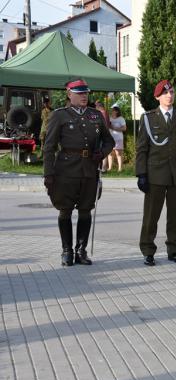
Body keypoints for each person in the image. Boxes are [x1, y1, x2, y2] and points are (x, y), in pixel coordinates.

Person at [43, 78, 115, 266]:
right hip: (65, 170)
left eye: (86, 93)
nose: (84, 96)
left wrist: (102, 153)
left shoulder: (96, 115)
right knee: (65, 210)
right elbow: (49, 147)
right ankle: (66, 251)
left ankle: (81, 251)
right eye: (80, 93)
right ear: (69, 94)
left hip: (89, 169)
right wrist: (48, 173)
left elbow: (109, 141)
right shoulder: (60, 115)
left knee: (85, 210)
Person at [135, 79, 176, 266]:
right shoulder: (148, 118)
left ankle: (174, 249)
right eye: (165, 93)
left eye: (171, 92)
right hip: (155, 175)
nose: (169, 96)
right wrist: (141, 174)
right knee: (151, 216)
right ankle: (148, 250)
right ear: (157, 97)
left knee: (175, 216)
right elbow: (142, 149)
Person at [108, 104, 126, 172]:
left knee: (118, 153)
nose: (111, 111)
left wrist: (115, 128)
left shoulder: (121, 119)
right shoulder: (109, 118)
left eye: (113, 110)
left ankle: (120, 169)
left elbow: (124, 128)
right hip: (110, 138)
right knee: (110, 153)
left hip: (118, 138)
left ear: (116, 111)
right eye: (111, 109)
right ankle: (109, 168)